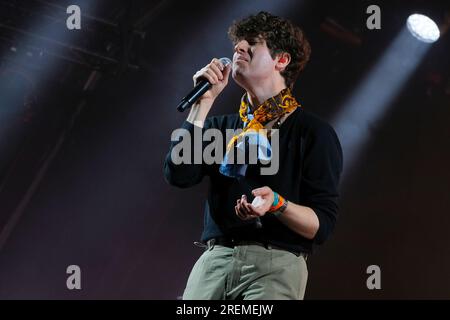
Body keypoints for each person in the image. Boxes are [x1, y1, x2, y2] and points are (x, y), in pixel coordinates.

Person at [164, 11, 343, 300]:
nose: (238, 48)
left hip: (275, 265)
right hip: (215, 260)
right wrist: (203, 103)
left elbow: (321, 225)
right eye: (237, 43)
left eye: (251, 43)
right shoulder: (220, 126)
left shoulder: (312, 132)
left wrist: (276, 203)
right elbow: (178, 175)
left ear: (281, 60)